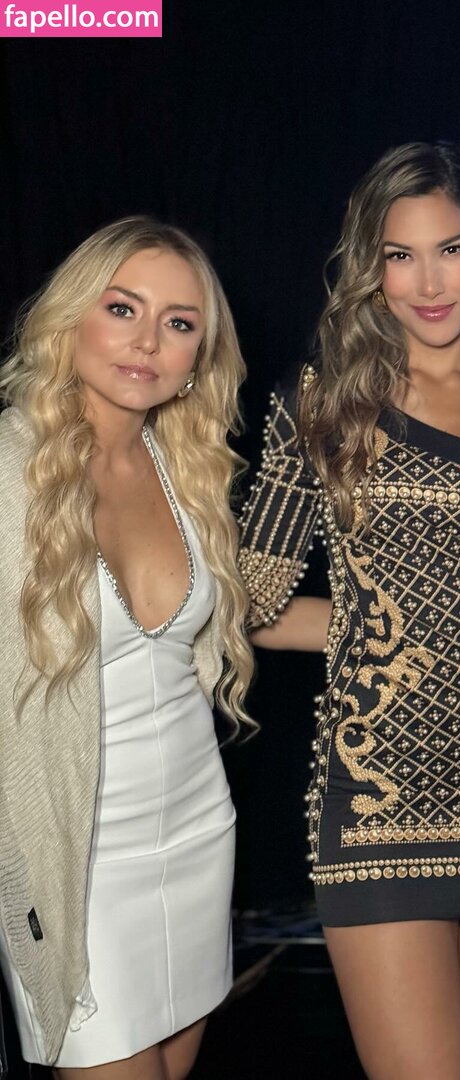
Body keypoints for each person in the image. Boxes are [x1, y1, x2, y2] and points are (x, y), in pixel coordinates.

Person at [239, 141, 460, 1080]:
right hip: (379, 792)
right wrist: (382, 627)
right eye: (400, 256)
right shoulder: (322, 404)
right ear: (371, 268)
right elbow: (249, 604)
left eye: (451, 250)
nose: (429, 283)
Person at [0, 217, 254, 1078]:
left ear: (198, 357)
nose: (148, 341)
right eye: (122, 308)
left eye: (179, 323)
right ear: (71, 317)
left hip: (198, 832)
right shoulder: (9, 471)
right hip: (76, 861)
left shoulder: (187, 468)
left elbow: (225, 626)